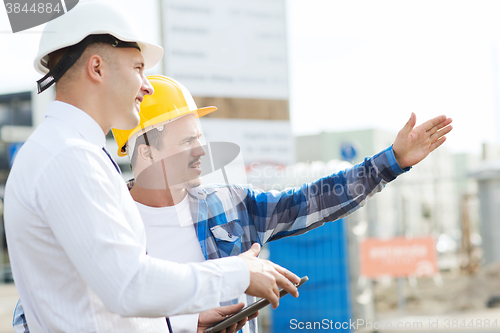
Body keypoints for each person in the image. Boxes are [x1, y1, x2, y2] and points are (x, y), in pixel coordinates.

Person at [5, 4, 300, 333]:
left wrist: (186, 320)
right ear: (97, 68)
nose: (146, 87)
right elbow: (127, 285)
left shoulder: (63, 150)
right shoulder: (69, 158)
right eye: (138, 68)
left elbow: (94, 296)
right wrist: (239, 272)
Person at [115, 75, 451, 332]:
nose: (202, 150)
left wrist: (391, 161)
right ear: (146, 152)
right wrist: (188, 323)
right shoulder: (108, 224)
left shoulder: (229, 206)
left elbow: (310, 200)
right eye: (188, 141)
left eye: (200, 138)